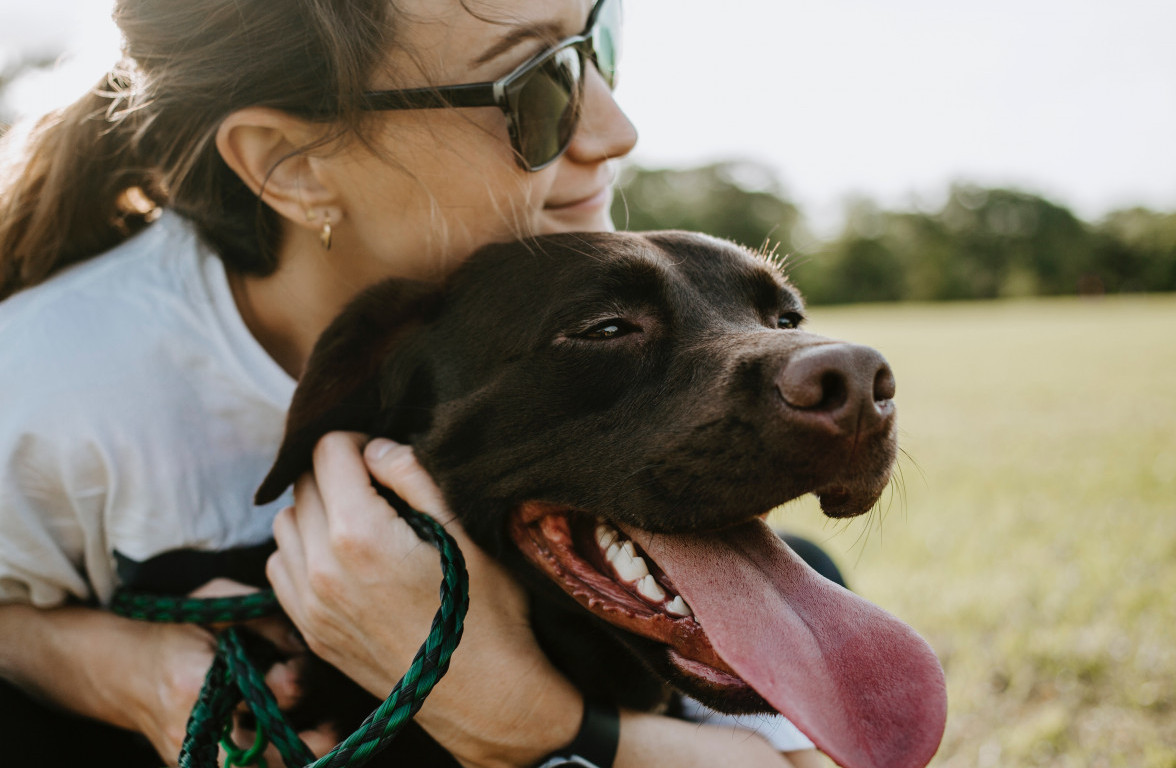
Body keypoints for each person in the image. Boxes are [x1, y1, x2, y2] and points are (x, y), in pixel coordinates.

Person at [0, 0, 828, 766]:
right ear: (293, 165)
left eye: (597, 44)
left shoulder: (547, 241)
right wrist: (117, 669)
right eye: (536, 87)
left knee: (807, 561)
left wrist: (523, 715)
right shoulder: (49, 383)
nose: (616, 129)